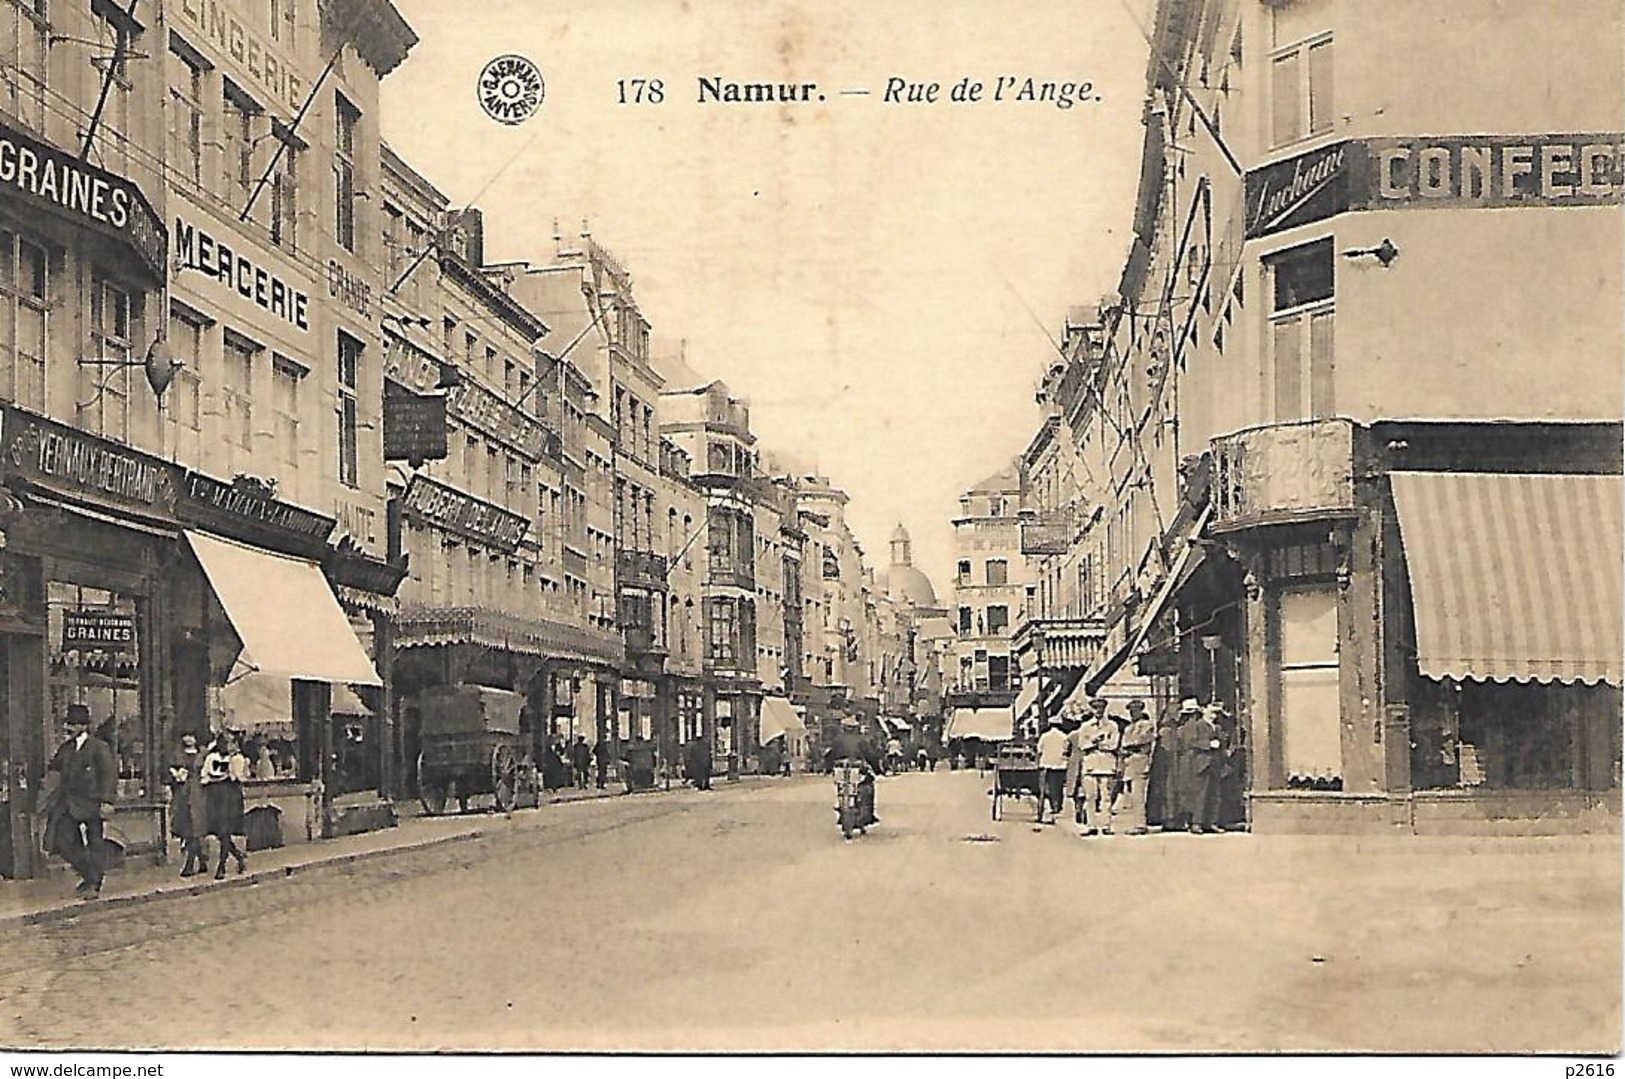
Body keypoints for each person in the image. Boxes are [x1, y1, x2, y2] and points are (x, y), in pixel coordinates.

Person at [44, 704, 116, 899]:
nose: (69, 728)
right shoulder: (66, 748)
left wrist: (107, 801)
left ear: (84, 726)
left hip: (92, 801)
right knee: (64, 842)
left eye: (73, 724)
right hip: (69, 802)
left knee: (95, 842)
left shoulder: (99, 747)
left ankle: (94, 883)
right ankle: (88, 874)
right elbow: (54, 770)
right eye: (68, 723)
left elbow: (108, 775)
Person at [200, 730, 249, 879]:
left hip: (230, 797)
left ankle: (222, 866)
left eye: (229, 743)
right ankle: (239, 856)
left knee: (225, 830)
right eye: (224, 743)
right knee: (220, 833)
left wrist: (232, 768)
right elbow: (205, 776)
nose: (226, 747)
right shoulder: (211, 758)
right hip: (215, 796)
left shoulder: (238, 759)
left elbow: (238, 777)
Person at [1069, 697, 1121, 836]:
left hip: (1106, 764)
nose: (1098, 711)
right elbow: (1082, 745)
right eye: (1096, 708)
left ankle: (1106, 825)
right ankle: (1091, 825)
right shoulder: (1086, 727)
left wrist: (1100, 745)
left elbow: (1114, 744)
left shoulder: (1112, 726)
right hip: (1090, 765)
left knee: (1106, 797)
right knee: (1090, 796)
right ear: (1092, 709)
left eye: (1101, 708)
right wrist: (1094, 741)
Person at [823, 718, 881, 827]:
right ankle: (868, 814)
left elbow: (829, 756)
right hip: (857, 768)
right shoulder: (861, 741)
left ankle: (843, 806)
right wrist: (877, 769)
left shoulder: (837, 740)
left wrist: (828, 768)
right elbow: (871, 755)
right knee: (868, 786)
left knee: (841, 787)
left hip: (841, 769)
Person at [167, 732, 209, 877]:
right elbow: (169, 769)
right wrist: (175, 773)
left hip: (198, 792)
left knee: (195, 827)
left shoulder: (203, 753)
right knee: (188, 827)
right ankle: (202, 860)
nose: (189, 738)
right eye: (186, 735)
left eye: (192, 735)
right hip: (182, 793)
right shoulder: (177, 754)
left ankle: (190, 864)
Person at [1112, 699, 1157, 835]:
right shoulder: (1128, 727)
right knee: (1132, 795)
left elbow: (1140, 740)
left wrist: (1128, 746)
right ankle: (1137, 822)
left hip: (1139, 760)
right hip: (1129, 762)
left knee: (1138, 795)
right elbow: (1123, 744)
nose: (1133, 713)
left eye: (1136, 711)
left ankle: (1140, 824)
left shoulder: (1146, 725)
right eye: (1131, 711)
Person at [1163, 698, 1204, 831]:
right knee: (1191, 790)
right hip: (1189, 760)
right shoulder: (1189, 727)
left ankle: (1185, 819)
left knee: (1185, 790)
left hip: (1184, 761)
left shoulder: (1180, 729)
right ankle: (1191, 820)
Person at [1035, 717, 1070, 824]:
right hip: (1060, 765)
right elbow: (1066, 750)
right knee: (1058, 787)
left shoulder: (1044, 736)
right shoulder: (1064, 737)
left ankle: (1050, 805)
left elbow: (1039, 750)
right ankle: (1057, 806)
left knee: (1046, 786)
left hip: (1046, 764)